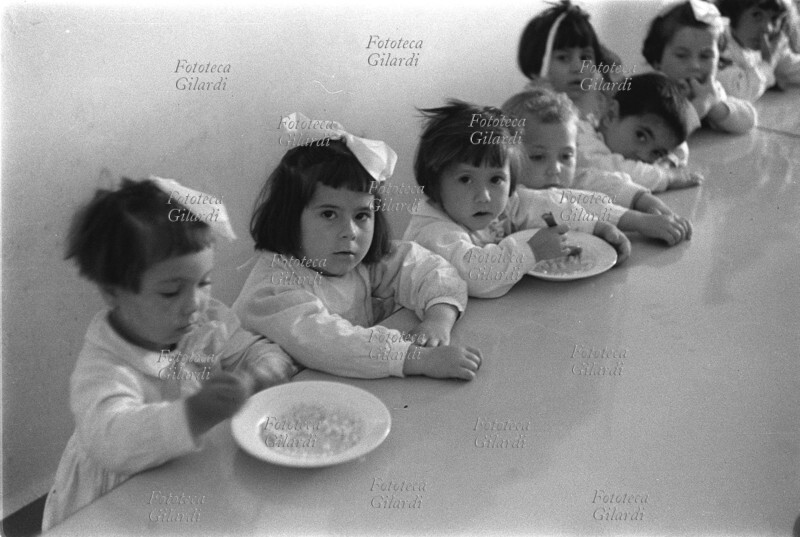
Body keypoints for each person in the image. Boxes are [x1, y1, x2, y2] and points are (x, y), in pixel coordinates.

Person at [42, 177, 299, 530]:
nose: (194, 304)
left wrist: (261, 372)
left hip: (187, 475)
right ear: (113, 293)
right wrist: (194, 414)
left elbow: (255, 351)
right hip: (117, 496)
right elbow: (111, 438)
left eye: (204, 282)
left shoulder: (208, 320)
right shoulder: (104, 365)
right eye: (170, 292)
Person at [232, 114, 482, 381]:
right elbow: (330, 343)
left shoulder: (357, 261)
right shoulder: (272, 288)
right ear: (290, 217)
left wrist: (438, 318)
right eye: (329, 214)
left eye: (362, 215)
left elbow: (426, 267)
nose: (349, 232)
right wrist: (417, 358)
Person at [402, 100, 631, 299]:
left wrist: (594, 226)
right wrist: (531, 251)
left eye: (496, 179)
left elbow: (544, 204)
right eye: (465, 179)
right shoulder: (433, 233)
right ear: (433, 182)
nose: (484, 195)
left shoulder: (497, 203)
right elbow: (479, 278)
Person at [517, 0, 702, 191]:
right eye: (563, 57)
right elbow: (602, 167)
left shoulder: (603, 92)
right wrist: (664, 177)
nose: (578, 67)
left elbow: (672, 132)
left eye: (585, 58)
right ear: (538, 64)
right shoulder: (544, 113)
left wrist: (668, 161)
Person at [501, 86, 693, 246]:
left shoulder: (561, 180)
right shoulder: (511, 196)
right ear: (507, 156)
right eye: (538, 157)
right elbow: (563, 205)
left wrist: (643, 199)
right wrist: (638, 221)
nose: (556, 169)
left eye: (566, 156)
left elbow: (597, 181)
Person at [642, 0, 758, 133]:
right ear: (657, 60)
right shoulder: (652, 90)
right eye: (682, 55)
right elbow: (662, 134)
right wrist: (701, 106)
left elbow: (748, 120)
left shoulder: (710, 89)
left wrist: (715, 106)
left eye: (705, 56)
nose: (695, 66)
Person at [716, 0, 800, 101]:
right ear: (733, 13)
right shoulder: (719, 43)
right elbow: (738, 94)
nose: (768, 28)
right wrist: (768, 63)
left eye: (774, 18)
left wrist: (774, 56)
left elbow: (794, 67)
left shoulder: (763, 45)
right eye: (756, 15)